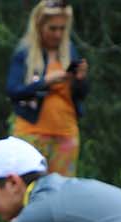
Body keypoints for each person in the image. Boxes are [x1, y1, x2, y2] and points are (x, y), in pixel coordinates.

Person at [6, 0, 89, 177]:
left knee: (61, 193)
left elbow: (81, 95)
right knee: (29, 190)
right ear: (39, 26)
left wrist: (80, 79)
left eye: (62, 28)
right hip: (31, 133)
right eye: (53, 28)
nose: (58, 34)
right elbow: (13, 91)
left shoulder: (70, 51)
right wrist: (45, 82)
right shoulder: (25, 52)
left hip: (66, 134)